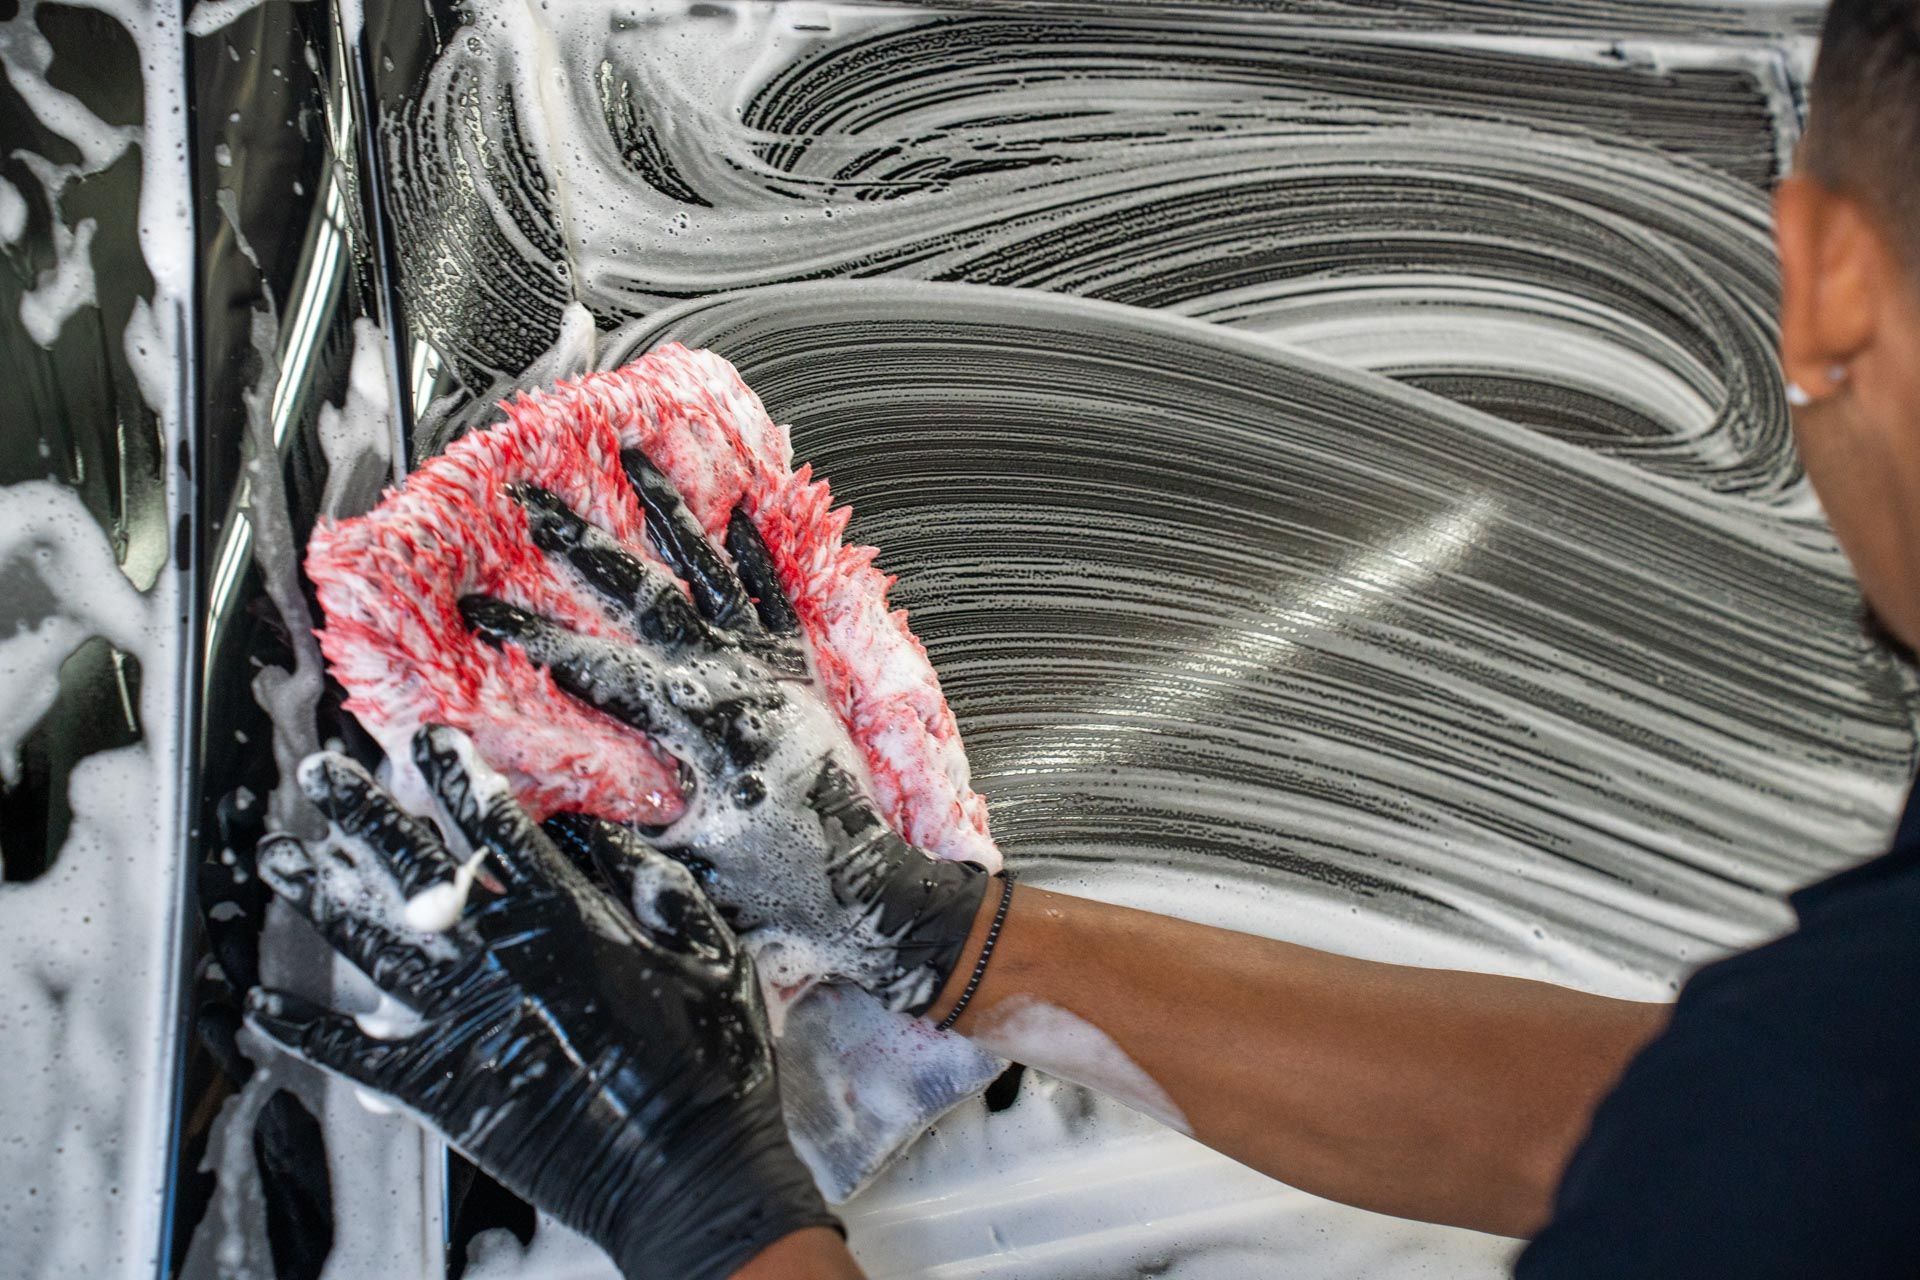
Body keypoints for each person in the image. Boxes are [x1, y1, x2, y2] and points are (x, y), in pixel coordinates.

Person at [245, 1, 1920, 1275]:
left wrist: (704, 1205)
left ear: (1822, 278)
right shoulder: (1839, 1077)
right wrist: (959, 942)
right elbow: (1720, 1121)